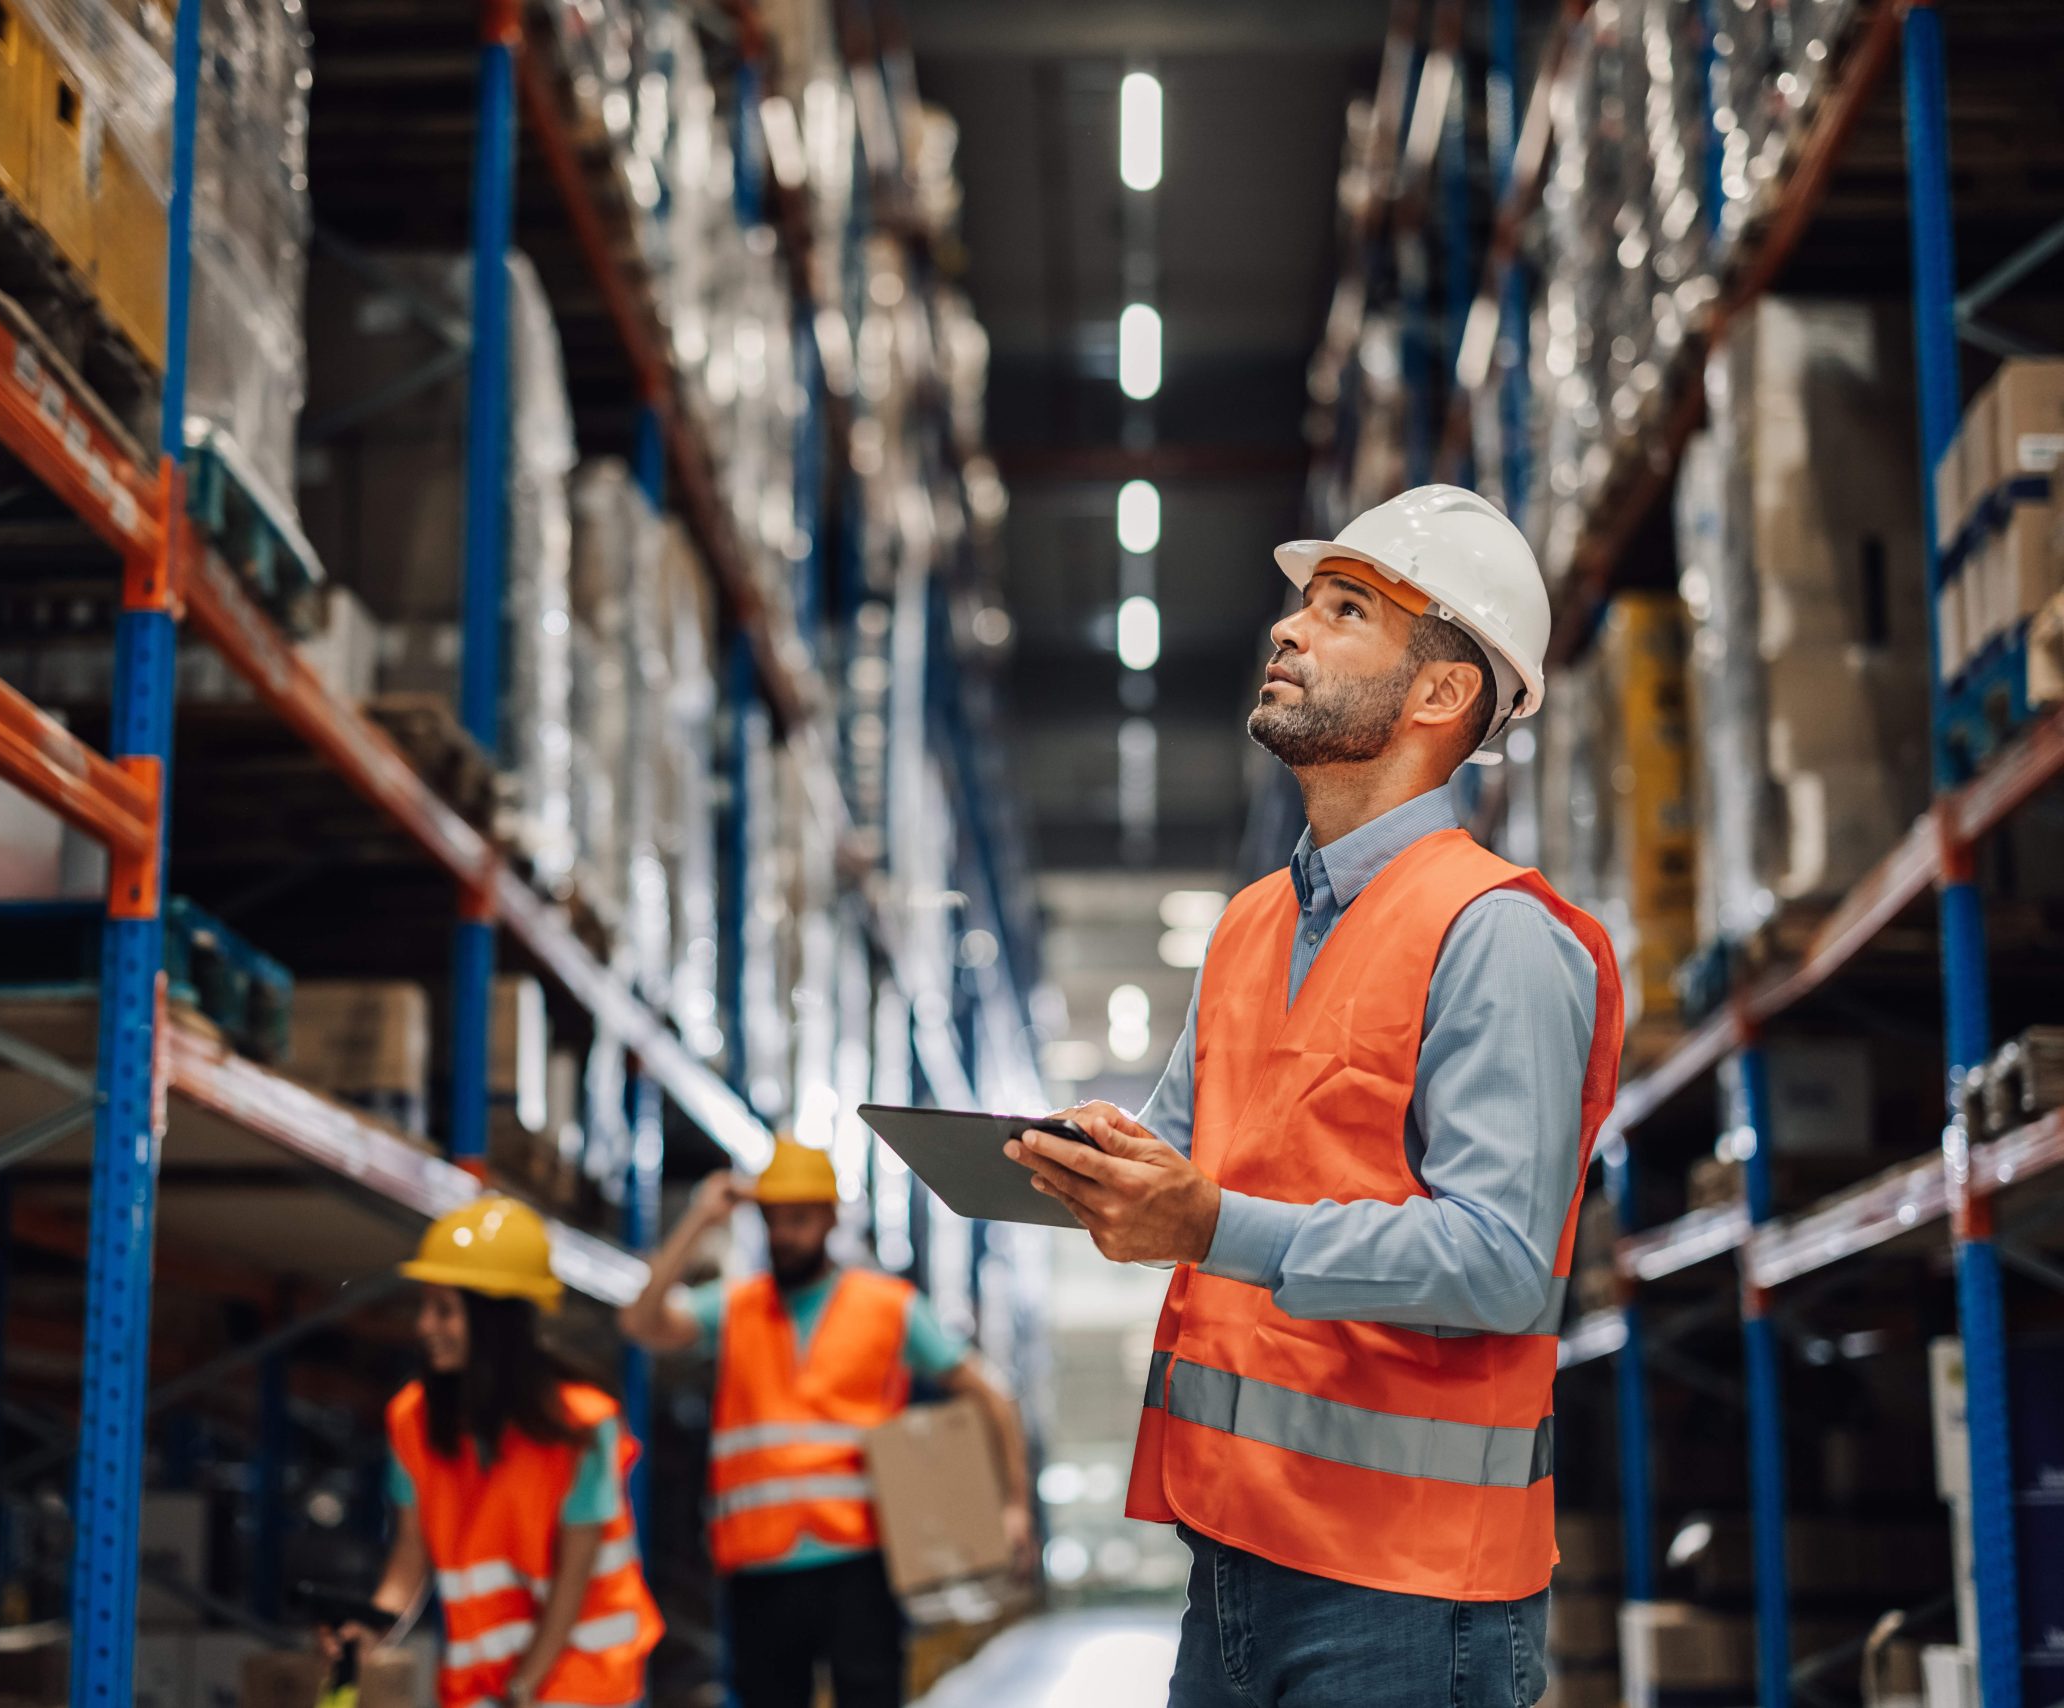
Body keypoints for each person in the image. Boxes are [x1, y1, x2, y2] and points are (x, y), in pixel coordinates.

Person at [1006, 485, 1625, 1708]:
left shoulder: (1497, 935)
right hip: (1232, 1557)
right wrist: (1099, 1169)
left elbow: (1503, 1260)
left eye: (1343, 611)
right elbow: (1190, 1161)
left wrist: (1207, 1224)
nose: (1288, 630)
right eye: (1301, 604)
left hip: (1408, 1593)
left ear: (1440, 695)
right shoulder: (1250, 925)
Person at [619, 1139, 1034, 1708]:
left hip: (862, 1563)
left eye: (799, 1219)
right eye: (773, 1220)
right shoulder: (737, 1307)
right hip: (758, 1567)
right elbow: (641, 1323)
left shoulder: (888, 1306)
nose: (784, 1234)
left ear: (831, 1218)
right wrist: (701, 1218)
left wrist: (1013, 1505)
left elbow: (992, 1395)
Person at [339, 1196, 662, 1708]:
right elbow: (409, 1558)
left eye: (444, 1310)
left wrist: (521, 1689)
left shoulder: (582, 1425)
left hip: (582, 1679)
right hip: (482, 1684)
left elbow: (570, 1585)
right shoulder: (413, 1420)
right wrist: (371, 1630)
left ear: (495, 1321)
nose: (424, 1326)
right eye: (425, 1306)